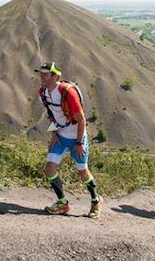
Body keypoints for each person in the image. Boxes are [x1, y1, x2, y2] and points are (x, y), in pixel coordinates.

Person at [35, 61, 103, 218]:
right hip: (61, 136)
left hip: (77, 137)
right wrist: (54, 134)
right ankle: (63, 203)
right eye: (41, 73)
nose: (42, 77)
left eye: (45, 74)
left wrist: (79, 143)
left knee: (83, 172)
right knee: (49, 169)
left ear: (56, 76)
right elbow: (52, 114)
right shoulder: (43, 92)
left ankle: (96, 200)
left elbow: (81, 120)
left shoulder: (68, 93)